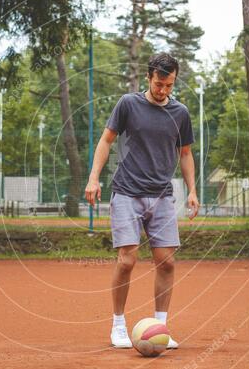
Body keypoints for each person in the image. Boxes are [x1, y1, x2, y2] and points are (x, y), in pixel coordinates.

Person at [85, 52, 199, 349]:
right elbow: (106, 140)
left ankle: (160, 326)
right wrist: (93, 177)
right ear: (149, 78)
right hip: (127, 192)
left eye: (170, 85)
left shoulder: (180, 113)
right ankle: (118, 326)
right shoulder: (128, 104)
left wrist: (193, 191)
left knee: (167, 262)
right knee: (127, 259)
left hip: (162, 195)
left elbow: (185, 154)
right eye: (159, 83)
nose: (163, 91)